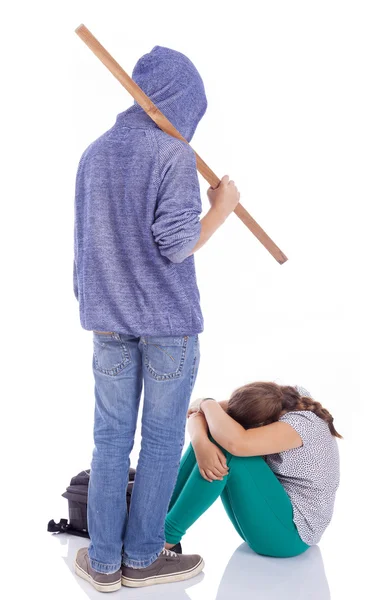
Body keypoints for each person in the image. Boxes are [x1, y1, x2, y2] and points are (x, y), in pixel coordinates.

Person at [73, 45, 240, 592]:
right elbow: (176, 245)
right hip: (167, 325)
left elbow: (84, 248)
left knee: (109, 440)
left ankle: (103, 565)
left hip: (108, 325)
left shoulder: (94, 155)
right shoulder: (171, 156)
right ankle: (142, 560)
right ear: (175, 100)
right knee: (164, 440)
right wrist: (222, 208)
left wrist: (92, 306)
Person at [161, 383, 341, 560]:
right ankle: (155, 523)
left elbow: (233, 441)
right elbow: (201, 414)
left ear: (263, 424)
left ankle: (164, 542)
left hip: (289, 536)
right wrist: (200, 440)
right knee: (215, 435)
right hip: (268, 514)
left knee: (226, 448)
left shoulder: (299, 425)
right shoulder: (281, 399)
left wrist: (206, 402)